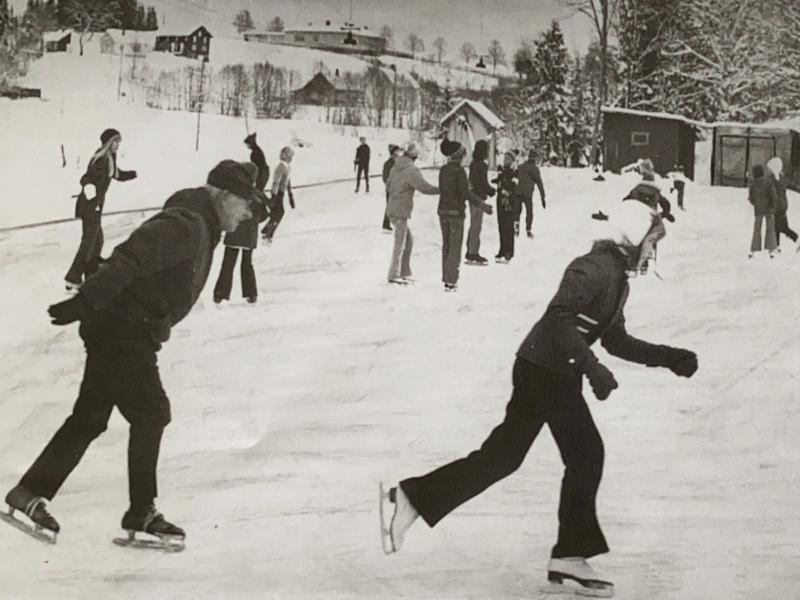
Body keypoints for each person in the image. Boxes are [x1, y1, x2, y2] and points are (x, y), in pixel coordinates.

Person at [380, 199, 698, 598]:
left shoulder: (617, 278)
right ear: (632, 240)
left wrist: (668, 357)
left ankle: (414, 496)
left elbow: (615, 339)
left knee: (502, 458)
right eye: (651, 243)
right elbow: (558, 315)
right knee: (586, 454)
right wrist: (590, 367)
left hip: (544, 368)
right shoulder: (592, 268)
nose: (652, 252)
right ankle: (569, 556)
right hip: (548, 371)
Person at [4, 160, 259, 544]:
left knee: (91, 417)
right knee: (152, 412)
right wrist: (87, 300)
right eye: (244, 204)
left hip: (121, 327)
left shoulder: (200, 223)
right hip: (124, 330)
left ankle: (28, 492)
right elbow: (130, 257)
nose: (247, 214)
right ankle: (140, 512)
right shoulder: (185, 224)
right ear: (223, 195)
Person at [64, 128, 137, 291]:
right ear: (109, 143)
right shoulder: (102, 159)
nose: (118, 144)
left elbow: (118, 175)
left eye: (119, 141)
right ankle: (73, 277)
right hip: (90, 205)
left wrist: (134, 174)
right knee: (89, 243)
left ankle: (90, 275)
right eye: (115, 141)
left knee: (97, 241)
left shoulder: (110, 159)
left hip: (94, 205)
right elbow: (86, 177)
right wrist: (89, 188)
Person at [438, 140, 493, 291]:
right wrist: (482, 205)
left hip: (442, 211)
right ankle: (451, 280)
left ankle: (446, 276)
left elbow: (444, 189)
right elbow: (466, 193)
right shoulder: (460, 171)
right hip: (456, 212)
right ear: (459, 156)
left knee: (446, 245)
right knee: (455, 247)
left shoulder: (443, 170)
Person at [213, 163, 270, 303]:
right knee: (247, 264)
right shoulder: (258, 194)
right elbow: (264, 215)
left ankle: (220, 294)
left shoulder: (235, 192)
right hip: (249, 235)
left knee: (228, 263)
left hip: (234, 231)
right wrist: (253, 222)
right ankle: (251, 294)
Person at [385, 141, 439, 285]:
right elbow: (424, 187)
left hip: (392, 208)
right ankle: (394, 274)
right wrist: (441, 190)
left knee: (408, 241)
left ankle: (404, 272)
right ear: (414, 155)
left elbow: (388, 185)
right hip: (401, 210)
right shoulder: (411, 170)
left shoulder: (396, 166)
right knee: (400, 243)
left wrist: (397, 193)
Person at [466, 139, 495, 265]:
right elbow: (482, 183)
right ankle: (473, 253)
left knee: (473, 224)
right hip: (479, 198)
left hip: (472, 197)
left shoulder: (473, 164)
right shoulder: (482, 165)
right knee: (476, 226)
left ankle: (470, 250)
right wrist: (491, 190)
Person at [261, 146, 295, 244]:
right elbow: (276, 182)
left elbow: (287, 181)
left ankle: (265, 230)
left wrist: (290, 195)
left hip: (281, 193)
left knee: (277, 213)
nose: (291, 158)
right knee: (279, 213)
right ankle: (268, 234)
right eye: (290, 156)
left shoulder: (287, 167)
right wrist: (274, 196)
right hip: (277, 193)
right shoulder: (281, 166)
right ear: (285, 156)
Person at [492, 151, 519, 263]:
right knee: (501, 226)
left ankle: (509, 251)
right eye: (505, 158)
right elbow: (499, 182)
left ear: (512, 160)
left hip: (509, 202)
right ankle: (502, 249)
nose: (505, 161)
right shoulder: (502, 171)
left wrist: (503, 184)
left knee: (508, 227)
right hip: (500, 201)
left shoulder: (515, 172)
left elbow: (513, 186)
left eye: (508, 159)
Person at [766, 157, 798, 251]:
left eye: (769, 168)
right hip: (782, 206)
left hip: (778, 207)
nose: (768, 170)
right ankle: (777, 246)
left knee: (781, 227)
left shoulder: (773, 179)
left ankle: (796, 238)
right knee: (776, 227)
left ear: (774, 168)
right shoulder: (781, 178)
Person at [747, 164, 777, 259]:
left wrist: (756, 203)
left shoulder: (753, 184)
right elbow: (773, 195)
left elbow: (751, 198)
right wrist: (774, 206)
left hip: (758, 209)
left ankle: (753, 249)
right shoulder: (769, 182)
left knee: (757, 229)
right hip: (769, 209)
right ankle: (771, 249)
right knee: (770, 229)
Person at [515, 148, 546, 238]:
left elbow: (515, 176)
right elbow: (540, 184)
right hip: (527, 194)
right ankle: (528, 230)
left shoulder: (521, 167)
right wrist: (542, 197)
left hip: (518, 192)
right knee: (529, 212)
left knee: (517, 211)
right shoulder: (535, 170)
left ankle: (516, 229)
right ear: (535, 158)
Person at [381, 144, 401, 232]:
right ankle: (386, 224)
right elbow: (385, 177)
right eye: (397, 151)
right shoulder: (388, 163)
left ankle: (395, 223)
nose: (398, 152)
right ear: (392, 152)